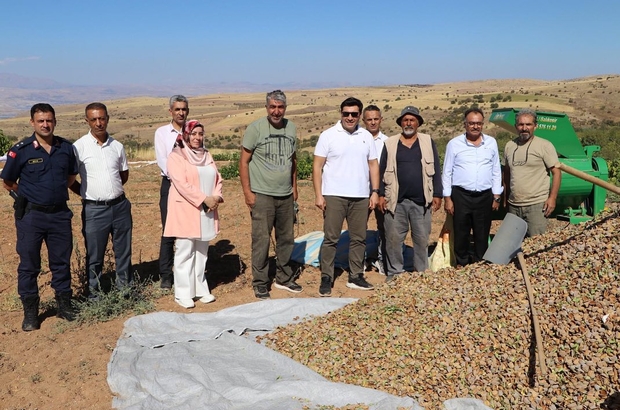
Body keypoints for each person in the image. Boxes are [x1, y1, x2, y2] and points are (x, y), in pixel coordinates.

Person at [1, 103, 78, 331]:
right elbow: (7, 182)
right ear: (32, 123)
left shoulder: (65, 148)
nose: (45, 124)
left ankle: (64, 306)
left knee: (61, 262)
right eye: (41, 120)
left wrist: (52, 193)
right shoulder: (21, 150)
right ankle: (31, 313)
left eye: (49, 120)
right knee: (29, 265)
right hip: (31, 216)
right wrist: (27, 196)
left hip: (59, 215)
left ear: (55, 121)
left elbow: (71, 176)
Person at [313, 97, 380, 296]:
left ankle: (356, 275)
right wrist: (319, 194)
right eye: (346, 114)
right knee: (331, 238)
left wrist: (374, 192)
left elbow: (373, 165)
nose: (350, 117)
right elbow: (317, 166)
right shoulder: (328, 135)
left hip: (360, 196)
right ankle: (326, 277)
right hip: (334, 195)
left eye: (354, 114)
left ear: (360, 115)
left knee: (358, 238)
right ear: (340, 113)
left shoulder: (366, 136)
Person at [239, 90, 301, 299]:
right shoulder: (255, 129)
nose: (276, 111)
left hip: (285, 195)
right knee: (261, 240)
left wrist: (294, 187)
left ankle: (284, 278)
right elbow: (244, 161)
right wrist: (248, 192)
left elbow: (293, 160)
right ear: (266, 108)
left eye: (280, 107)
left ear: (285, 108)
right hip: (262, 194)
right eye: (273, 107)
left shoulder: (290, 127)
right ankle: (260, 282)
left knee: (286, 239)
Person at [70, 102, 132, 299]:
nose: (99, 123)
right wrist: (87, 194)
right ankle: (94, 295)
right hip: (95, 210)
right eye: (94, 119)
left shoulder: (117, 146)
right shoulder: (78, 147)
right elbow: (70, 180)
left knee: (123, 252)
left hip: (120, 206)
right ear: (87, 121)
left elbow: (123, 175)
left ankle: (125, 291)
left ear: (108, 118)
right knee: (94, 256)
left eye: (102, 118)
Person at [163, 120, 223, 308]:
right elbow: (181, 184)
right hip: (186, 209)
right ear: (186, 135)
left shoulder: (206, 155)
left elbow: (217, 178)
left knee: (201, 251)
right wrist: (204, 198)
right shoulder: (176, 156)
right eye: (194, 134)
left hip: (206, 210)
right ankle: (183, 292)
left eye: (200, 134)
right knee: (185, 250)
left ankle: (200, 288)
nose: (197, 138)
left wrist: (216, 196)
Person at [379, 106, 442, 280]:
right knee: (393, 239)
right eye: (405, 120)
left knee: (421, 239)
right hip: (395, 200)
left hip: (421, 201)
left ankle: (421, 273)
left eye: (412, 120)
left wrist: (438, 194)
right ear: (400, 123)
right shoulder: (390, 143)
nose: (408, 123)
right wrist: (381, 194)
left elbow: (436, 168)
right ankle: (394, 273)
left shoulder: (427, 141)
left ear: (418, 123)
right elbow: (382, 169)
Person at [442, 108, 502, 266]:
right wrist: (447, 198)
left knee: (482, 232)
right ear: (465, 124)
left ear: (483, 124)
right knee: (461, 232)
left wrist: (496, 195)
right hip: (461, 195)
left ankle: (480, 263)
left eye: (478, 123)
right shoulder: (454, 144)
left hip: (484, 196)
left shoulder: (491, 143)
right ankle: (462, 263)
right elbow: (447, 172)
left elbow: (496, 170)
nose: (475, 126)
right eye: (471, 123)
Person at [503, 108, 561, 236]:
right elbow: (506, 173)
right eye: (521, 124)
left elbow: (556, 172)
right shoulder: (509, 146)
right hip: (514, 205)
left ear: (535, 126)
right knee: (514, 244)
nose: (524, 128)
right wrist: (506, 198)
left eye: (528, 124)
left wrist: (552, 198)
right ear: (515, 126)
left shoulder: (544, 145)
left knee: (536, 243)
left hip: (536, 206)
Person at [155, 95, 189, 289]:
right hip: (170, 184)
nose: (181, 112)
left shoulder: (193, 130)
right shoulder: (161, 133)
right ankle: (166, 275)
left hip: (191, 187)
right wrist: (179, 177)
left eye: (184, 109)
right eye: (177, 109)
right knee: (169, 230)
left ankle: (186, 272)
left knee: (189, 230)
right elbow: (162, 159)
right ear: (171, 111)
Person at [362, 105, 388, 275]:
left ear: (381, 120)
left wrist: (381, 193)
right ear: (364, 121)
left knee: (384, 226)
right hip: (361, 190)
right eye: (369, 119)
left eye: (375, 119)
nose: (372, 122)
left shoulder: (388, 142)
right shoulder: (358, 139)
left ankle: (382, 260)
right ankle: (360, 261)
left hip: (382, 191)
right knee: (358, 227)